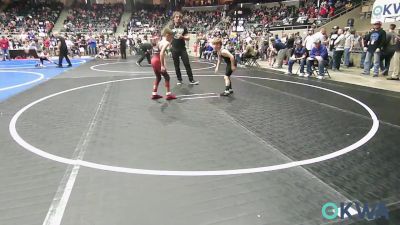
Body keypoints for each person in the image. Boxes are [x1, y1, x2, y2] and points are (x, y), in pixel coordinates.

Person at [168, 11, 199, 85]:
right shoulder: (170, 27)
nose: (178, 18)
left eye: (179, 17)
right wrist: (169, 49)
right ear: (173, 18)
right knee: (176, 65)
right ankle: (179, 80)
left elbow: (188, 38)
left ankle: (191, 80)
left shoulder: (183, 27)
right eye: (176, 17)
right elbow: (168, 39)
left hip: (182, 49)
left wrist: (182, 37)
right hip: (174, 49)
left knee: (187, 64)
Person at [150, 28, 176, 100]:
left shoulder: (161, 41)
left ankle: (154, 93)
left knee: (158, 77)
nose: (172, 38)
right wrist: (162, 65)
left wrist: (163, 63)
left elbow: (157, 51)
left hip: (153, 59)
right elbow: (161, 54)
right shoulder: (166, 43)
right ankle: (168, 95)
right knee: (167, 77)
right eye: (171, 36)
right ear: (167, 35)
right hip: (157, 60)